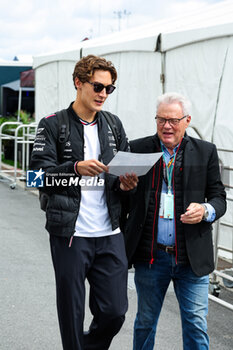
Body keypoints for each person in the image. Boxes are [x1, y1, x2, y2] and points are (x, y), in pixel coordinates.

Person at [30, 55, 138, 350]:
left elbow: (119, 178)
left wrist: (127, 185)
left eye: (109, 89)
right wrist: (74, 169)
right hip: (70, 234)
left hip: (110, 233)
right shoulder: (52, 124)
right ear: (78, 83)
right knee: (72, 311)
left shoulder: (114, 125)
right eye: (98, 86)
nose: (103, 93)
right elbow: (36, 178)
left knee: (115, 312)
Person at [123, 92, 226, 350]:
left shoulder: (205, 152)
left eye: (173, 120)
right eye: (161, 120)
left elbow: (219, 198)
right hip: (151, 256)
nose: (166, 126)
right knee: (145, 322)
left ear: (187, 120)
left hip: (191, 258)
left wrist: (205, 210)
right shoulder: (137, 148)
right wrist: (125, 188)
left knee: (195, 323)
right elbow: (123, 198)